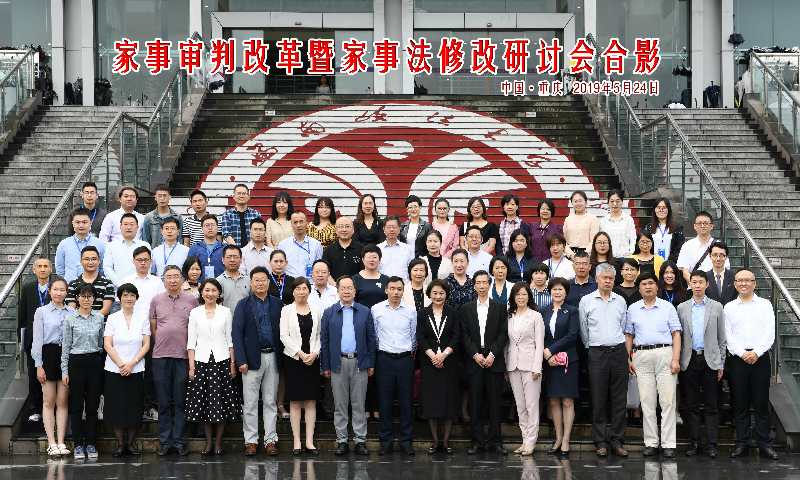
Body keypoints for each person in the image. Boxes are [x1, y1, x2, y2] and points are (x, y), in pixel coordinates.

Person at [624, 272, 682, 458]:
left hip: (665, 353)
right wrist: (628, 358)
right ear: (639, 288)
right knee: (647, 402)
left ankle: (668, 444)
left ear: (657, 286)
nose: (648, 287)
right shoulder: (633, 309)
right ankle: (650, 442)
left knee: (668, 401)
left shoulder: (667, 307)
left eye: (651, 283)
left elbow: (676, 334)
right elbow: (629, 335)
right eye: (644, 284)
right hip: (641, 355)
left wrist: (675, 359)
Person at [725, 268, 779, 460]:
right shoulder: (729, 307)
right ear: (735, 284)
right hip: (737, 360)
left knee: (761, 403)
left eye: (748, 280)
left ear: (754, 283)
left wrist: (756, 352)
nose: (744, 283)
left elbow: (770, 333)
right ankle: (742, 443)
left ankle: (764, 444)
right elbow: (727, 335)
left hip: (760, 358)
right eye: (740, 280)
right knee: (740, 403)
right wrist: (742, 353)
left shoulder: (765, 305)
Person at [320, 276, 376, 456]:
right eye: (342, 288)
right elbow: (324, 341)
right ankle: (342, 440)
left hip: (360, 362)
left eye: (349, 288)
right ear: (337, 291)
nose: (346, 291)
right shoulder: (329, 313)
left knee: (359, 404)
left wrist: (371, 362)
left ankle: (360, 440)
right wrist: (325, 365)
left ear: (354, 290)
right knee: (340, 405)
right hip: (338, 363)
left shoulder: (364, 311)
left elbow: (371, 339)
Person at [578, 262, 629, 458]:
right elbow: (584, 330)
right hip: (597, 352)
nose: (608, 281)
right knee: (598, 397)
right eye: (604, 278)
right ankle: (600, 441)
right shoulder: (586, 301)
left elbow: (623, 326)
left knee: (619, 398)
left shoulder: (620, 301)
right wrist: (592, 347)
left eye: (611, 278)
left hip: (618, 352)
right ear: (597, 279)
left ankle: (617, 440)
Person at [231, 266, 283, 456]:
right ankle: (251, 441)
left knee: (270, 401)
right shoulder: (243, 305)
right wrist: (241, 360)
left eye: (263, 280)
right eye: (256, 280)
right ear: (251, 283)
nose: (260, 283)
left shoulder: (278, 304)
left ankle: (270, 440)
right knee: (250, 403)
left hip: (273, 357)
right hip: (251, 360)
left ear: (269, 283)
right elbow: (237, 334)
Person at [186, 278, 241, 456]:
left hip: (222, 361)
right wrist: (191, 366)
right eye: (207, 290)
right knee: (204, 404)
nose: (210, 294)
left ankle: (218, 443)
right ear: (201, 293)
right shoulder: (195, 312)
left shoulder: (226, 312)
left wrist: (232, 364)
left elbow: (230, 340)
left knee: (221, 403)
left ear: (219, 293)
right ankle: (208, 443)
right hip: (201, 362)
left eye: (214, 290)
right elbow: (191, 342)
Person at [677, 270, 726, 458]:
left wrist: (721, 363)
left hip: (710, 360)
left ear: (707, 284)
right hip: (689, 360)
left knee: (712, 404)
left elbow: (722, 338)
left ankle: (712, 444)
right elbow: (679, 336)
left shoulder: (717, 307)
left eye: (700, 282)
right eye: (694, 282)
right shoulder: (682, 308)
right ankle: (694, 442)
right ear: (690, 284)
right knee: (691, 404)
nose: (697, 285)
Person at [149, 265, 198, 457]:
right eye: (168, 277)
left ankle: (178, 441)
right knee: (163, 402)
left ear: (182, 279)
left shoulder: (191, 300)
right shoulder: (156, 300)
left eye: (176, 276)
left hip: (183, 357)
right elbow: (154, 328)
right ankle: (164, 442)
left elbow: (194, 327)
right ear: (163, 280)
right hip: (160, 356)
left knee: (180, 400)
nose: (172, 280)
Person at [461, 270, 508, 455]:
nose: (481, 286)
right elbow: (464, 334)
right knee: (475, 402)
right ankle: (477, 441)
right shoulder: (466, 308)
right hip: (475, 360)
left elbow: (503, 333)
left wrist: (493, 354)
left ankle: (496, 441)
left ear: (489, 285)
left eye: (484, 283)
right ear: (474, 286)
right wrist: (475, 354)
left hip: (493, 360)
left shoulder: (499, 307)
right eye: (478, 283)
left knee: (495, 403)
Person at [103, 283, 151, 457]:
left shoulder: (143, 318)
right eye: (125, 295)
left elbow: (146, 344)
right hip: (114, 369)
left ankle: (130, 444)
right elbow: (107, 344)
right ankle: (120, 444)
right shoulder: (112, 318)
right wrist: (121, 364)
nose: (129, 298)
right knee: (116, 407)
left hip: (136, 369)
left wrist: (132, 363)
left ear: (136, 298)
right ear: (119, 298)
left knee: (134, 407)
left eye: (132, 295)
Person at [373, 277, 418, 456]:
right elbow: (374, 335)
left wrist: (408, 353)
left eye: (399, 289)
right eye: (392, 288)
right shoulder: (376, 310)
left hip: (405, 359)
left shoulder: (411, 311)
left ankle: (407, 441)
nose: (396, 292)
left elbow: (414, 337)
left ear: (403, 291)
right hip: (384, 359)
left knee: (406, 402)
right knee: (385, 402)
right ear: (386, 290)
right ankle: (386, 441)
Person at [61, 284, 105, 460]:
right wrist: (65, 370)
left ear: (94, 299)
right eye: (83, 296)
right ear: (77, 298)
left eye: (89, 296)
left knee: (93, 406)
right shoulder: (70, 319)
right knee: (77, 406)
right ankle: (78, 444)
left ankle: (91, 443)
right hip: (76, 363)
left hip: (94, 362)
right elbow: (65, 347)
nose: (86, 299)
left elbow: (101, 343)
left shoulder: (99, 318)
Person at [417, 279, 461, 454]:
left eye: (441, 293)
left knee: (449, 402)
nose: (438, 296)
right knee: (431, 402)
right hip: (429, 363)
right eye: (434, 293)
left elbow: (456, 336)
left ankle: (446, 442)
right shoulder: (423, 313)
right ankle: (435, 442)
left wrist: (444, 354)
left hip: (449, 363)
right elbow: (420, 337)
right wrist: (433, 356)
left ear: (446, 295)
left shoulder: (453, 313)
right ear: (429, 294)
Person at [280, 277, 322, 455]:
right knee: (295, 401)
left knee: (311, 401)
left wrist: (315, 353)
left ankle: (309, 442)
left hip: (312, 359)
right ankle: (297, 441)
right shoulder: (286, 310)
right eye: (298, 288)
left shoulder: (316, 309)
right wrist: (300, 353)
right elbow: (284, 336)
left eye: (304, 288)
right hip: (294, 360)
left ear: (309, 291)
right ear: (293, 291)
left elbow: (320, 335)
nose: (301, 291)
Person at [31, 277, 71, 457]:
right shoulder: (41, 311)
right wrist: (38, 365)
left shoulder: (72, 311)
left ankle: (61, 441)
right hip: (48, 354)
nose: (59, 293)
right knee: (49, 401)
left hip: (66, 356)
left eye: (62, 290)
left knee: (62, 401)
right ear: (50, 291)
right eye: (55, 289)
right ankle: (51, 442)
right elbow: (37, 340)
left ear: (66, 292)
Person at [505, 282, 544, 456]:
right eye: (518, 294)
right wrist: (506, 366)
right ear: (513, 297)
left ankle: (531, 442)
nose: (521, 297)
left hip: (530, 366)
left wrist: (537, 367)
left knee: (531, 405)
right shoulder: (509, 316)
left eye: (524, 294)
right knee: (520, 405)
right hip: (513, 365)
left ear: (529, 297)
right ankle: (524, 440)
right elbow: (507, 344)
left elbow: (539, 343)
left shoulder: (535, 316)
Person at [542, 277, 580, 458]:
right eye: (554, 289)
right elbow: (540, 335)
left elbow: (572, 335)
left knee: (567, 401)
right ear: (550, 292)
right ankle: (557, 438)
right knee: (553, 401)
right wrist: (547, 354)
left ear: (566, 292)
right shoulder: (543, 311)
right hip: (550, 361)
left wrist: (551, 350)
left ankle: (566, 439)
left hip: (568, 361)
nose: (557, 292)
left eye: (561, 289)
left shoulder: (572, 311)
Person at [19, 257, 52, 423]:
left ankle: (52, 407)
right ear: (34, 270)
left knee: (51, 375)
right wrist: (22, 340)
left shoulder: (56, 287)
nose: (43, 269)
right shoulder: (27, 288)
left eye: (46, 266)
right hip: (32, 339)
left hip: (52, 339)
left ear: (51, 269)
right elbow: (22, 315)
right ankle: (36, 409)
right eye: (39, 266)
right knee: (33, 375)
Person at [677, 211, 729, 282]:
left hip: (715, 285)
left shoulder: (719, 245)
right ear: (695, 226)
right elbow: (684, 271)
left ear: (711, 226)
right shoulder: (687, 245)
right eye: (699, 223)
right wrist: (696, 284)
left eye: (705, 223)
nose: (702, 226)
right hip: (694, 286)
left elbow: (725, 268)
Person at [56, 208, 106, 282]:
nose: (81, 225)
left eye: (84, 222)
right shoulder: (64, 244)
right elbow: (60, 270)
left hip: (94, 285)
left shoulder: (100, 244)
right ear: (73, 223)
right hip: (70, 285)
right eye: (77, 222)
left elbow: (102, 268)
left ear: (90, 223)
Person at [103, 213, 151, 287]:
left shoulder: (145, 245)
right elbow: (107, 268)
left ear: (137, 227)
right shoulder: (111, 246)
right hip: (118, 288)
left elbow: (149, 267)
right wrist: (120, 284)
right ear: (120, 227)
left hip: (141, 287)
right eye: (125, 224)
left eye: (132, 224)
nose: (128, 227)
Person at [65, 246, 115, 317]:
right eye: (87, 259)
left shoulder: (107, 284)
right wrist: (83, 320)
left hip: (100, 322)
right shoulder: (73, 284)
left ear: (99, 261)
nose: (90, 262)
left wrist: (91, 320)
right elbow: (71, 309)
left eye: (94, 259)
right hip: (78, 322)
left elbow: (106, 310)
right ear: (81, 261)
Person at [278, 211, 324, 279]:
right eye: (295, 222)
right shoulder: (283, 245)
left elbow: (320, 267)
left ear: (306, 223)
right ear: (291, 224)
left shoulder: (316, 244)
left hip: (310, 283)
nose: (298, 225)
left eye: (301, 221)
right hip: (289, 283)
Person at [642, 198, 685, 264]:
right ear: (654, 210)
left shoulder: (677, 228)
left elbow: (679, 249)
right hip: (652, 265)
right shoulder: (648, 228)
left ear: (668, 210)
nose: (661, 210)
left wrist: (669, 264)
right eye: (658, 207)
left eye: (664, 208)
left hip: (670, 266)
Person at [187, 214, 226, 281]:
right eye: (207, 225)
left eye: (212, 225)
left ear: (217, 227)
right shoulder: (194, 248)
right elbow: (189, 269)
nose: (210, 228)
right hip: (200, 285)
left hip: (221, 284)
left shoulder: (225, 248)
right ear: (202, 229)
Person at [599, 190, 636, 257]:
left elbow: (633, 239)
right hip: (608, 257)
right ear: (608, 203)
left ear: (622, 202)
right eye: (612, 201)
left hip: (624, 257)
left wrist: (630, 253)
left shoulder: (628, 219)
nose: (615, 204)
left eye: (618, 201)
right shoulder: (603, 221)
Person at [563, 190, 599, 256]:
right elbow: (564, 240)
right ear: (572, 203)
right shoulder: (568, 219)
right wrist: (571, 255)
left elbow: (594, 240)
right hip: (571, 255)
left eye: (580, 201)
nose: (578, 203)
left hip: (587, 254)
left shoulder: (593, 219)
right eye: (575, 201)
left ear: (586, 202)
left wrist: (584, 255)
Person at [377, 216, 415, 280]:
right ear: (384, 229)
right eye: (388, 227)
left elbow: (412, 269)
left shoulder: (408, 249)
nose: (391, 230)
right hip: (383, 284)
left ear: (399, 229)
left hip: (403, 284)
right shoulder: (378, 249)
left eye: (394, 227)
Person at [216, 245, 250, 311]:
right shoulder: (217, 281)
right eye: (229, 257)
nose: (232, 260)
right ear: (223, 260)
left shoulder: (248, 280)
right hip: (226, 317)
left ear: (241, 260)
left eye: (235, 257)